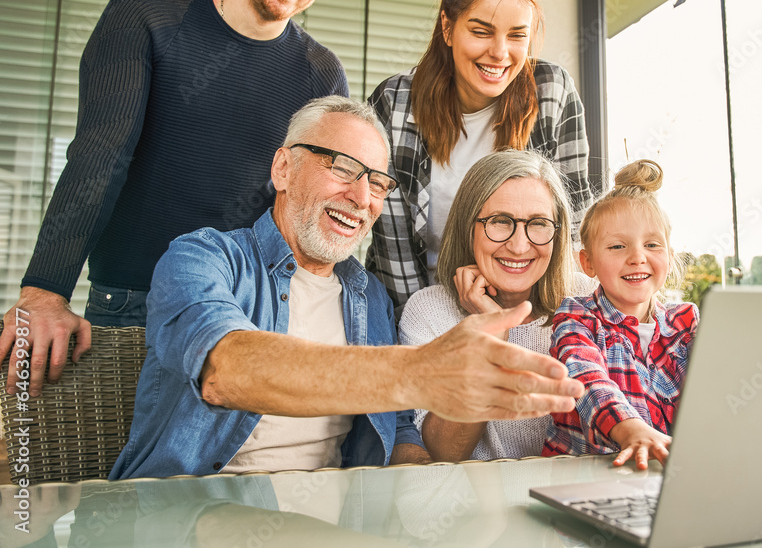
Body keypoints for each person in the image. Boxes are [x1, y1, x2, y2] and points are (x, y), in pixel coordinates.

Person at [2, 0, 353, 397]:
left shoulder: (321, 74)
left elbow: (311, 206)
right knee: (115, 478)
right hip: (130, 305)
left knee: (236, 480)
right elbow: (102, 153)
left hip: (248, 313)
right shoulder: (146, 13)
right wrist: (45, 290)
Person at [110, 97, 583, 479]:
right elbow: (225, 369)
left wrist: (421, 502)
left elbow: (401, 433)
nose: (361, 198)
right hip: (191, 511)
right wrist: (422, 372)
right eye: (341, 167)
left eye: (378, 183)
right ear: (283, 169)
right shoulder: (202, 257)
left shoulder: (370, 297)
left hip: (331, 517)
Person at [366, 0, 592, 314]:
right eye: (481, 31)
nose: (500, 53)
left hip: (526, 307)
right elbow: (394, 250)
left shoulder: (552, 91)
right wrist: (436, 322)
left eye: (517, 35)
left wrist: (534, 319)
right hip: (417, 308)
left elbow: (571, 225)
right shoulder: (394, 103)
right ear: (447, 28)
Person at [399, 150, 594, 461]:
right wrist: (490, 334)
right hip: (475, 507)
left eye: (539, 223)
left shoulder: (588, 299)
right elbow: (445, 452)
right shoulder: (429, 311)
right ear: (468, 225)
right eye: (500, 222)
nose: (519, 246)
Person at [542, 160, 699, 470]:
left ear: (669, 255)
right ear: (587, 262)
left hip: (662, 479)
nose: (637, 257)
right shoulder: (577, 318)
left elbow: (715, 393)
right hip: (582, 479)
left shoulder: (686, 324)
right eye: (617, 246)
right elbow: (587, 381)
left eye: (652, 244)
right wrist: (632, 429)